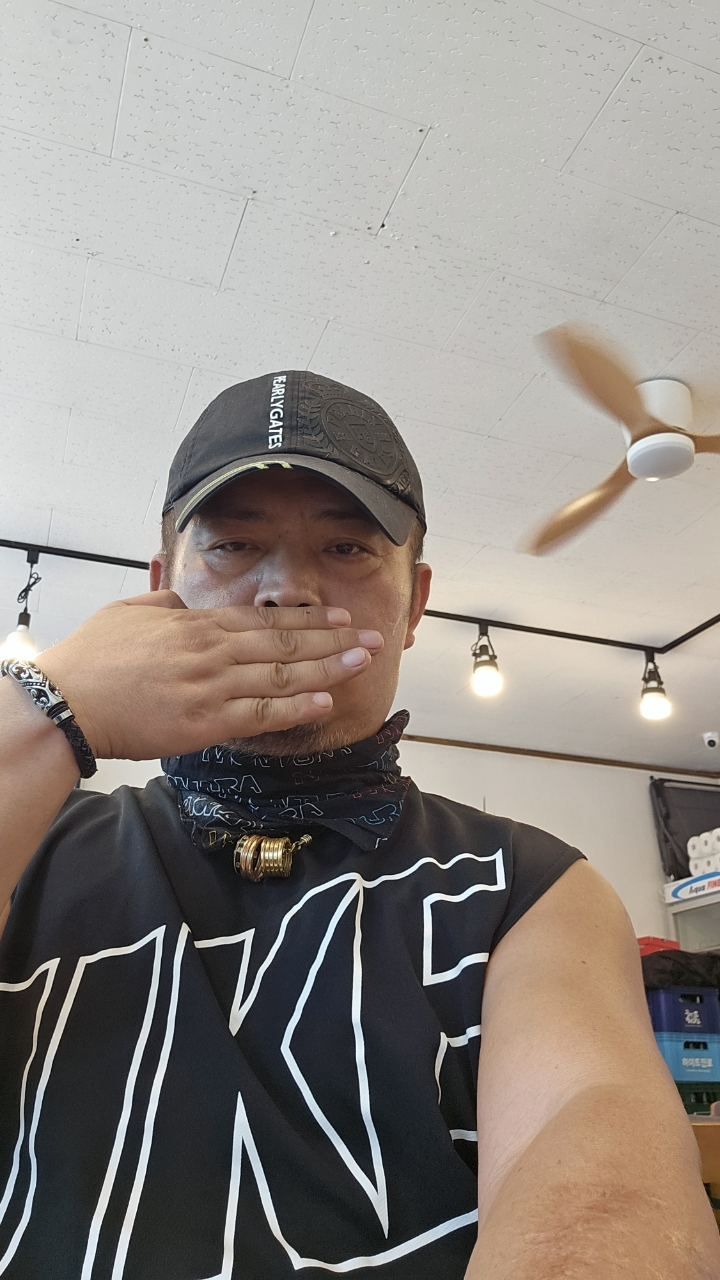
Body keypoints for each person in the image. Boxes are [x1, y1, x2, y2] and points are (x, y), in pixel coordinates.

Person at [0, 370, 716, 1280]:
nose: (286, 591)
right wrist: (47, 704)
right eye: (232, 545)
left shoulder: (531, 890)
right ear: (159, 591)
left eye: (345, 547)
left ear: (414, 603)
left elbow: (604, 1189)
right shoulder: (34, 841)